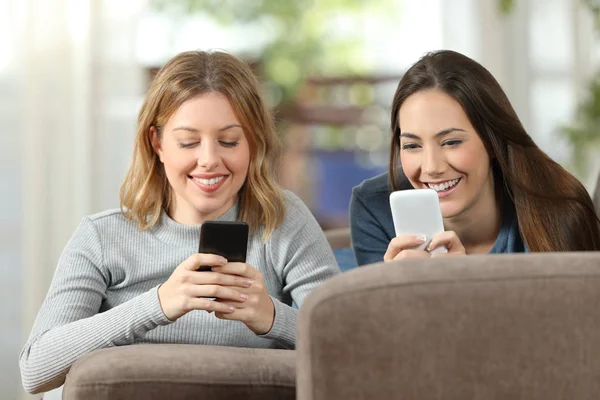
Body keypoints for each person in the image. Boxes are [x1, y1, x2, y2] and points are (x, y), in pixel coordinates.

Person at [20, 50, 341, 394]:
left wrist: (272, 318)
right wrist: (157, 304)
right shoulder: (102, 237)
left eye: (229, 141)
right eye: (188, 142)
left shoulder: (281, 219)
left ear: (253, 143)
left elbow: (351, 346)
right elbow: (36, 368)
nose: (209, 160)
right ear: (156, 143)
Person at [350, 50, 600, 266]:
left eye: (451, 142)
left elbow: (574, 319)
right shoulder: (374, 207)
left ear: (492, 142)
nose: (431, 167)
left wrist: (464, 285)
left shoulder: (559, 210)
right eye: (412, 145)